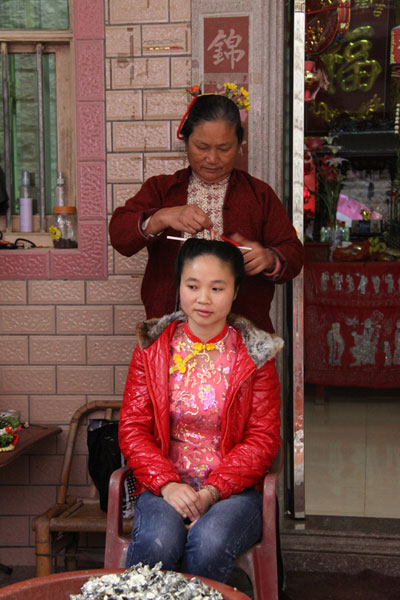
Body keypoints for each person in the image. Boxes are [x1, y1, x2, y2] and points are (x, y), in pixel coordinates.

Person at [118, 238, 283, 584]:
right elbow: (133, 429)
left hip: (233, 493)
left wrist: (212, 491)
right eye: (192, 286)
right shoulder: (153, 350)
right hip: (166, 486)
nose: (203, 298)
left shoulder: (254, 357)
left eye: (217, 288)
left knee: (208, 543)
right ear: (179, 286)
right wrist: (166, 484)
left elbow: (263, 439)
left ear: (236, 291)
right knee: (156, 542)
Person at [109, 90, 304, 333]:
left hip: (241, 341)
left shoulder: (259, 194)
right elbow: (119, 235)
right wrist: (161, 217)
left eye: (224, 148)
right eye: (202, 146)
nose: (212, 158)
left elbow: (293, 252)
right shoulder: (162, 189)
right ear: (186, 142)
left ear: (239, 146)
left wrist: (269, 258)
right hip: (171, 334)